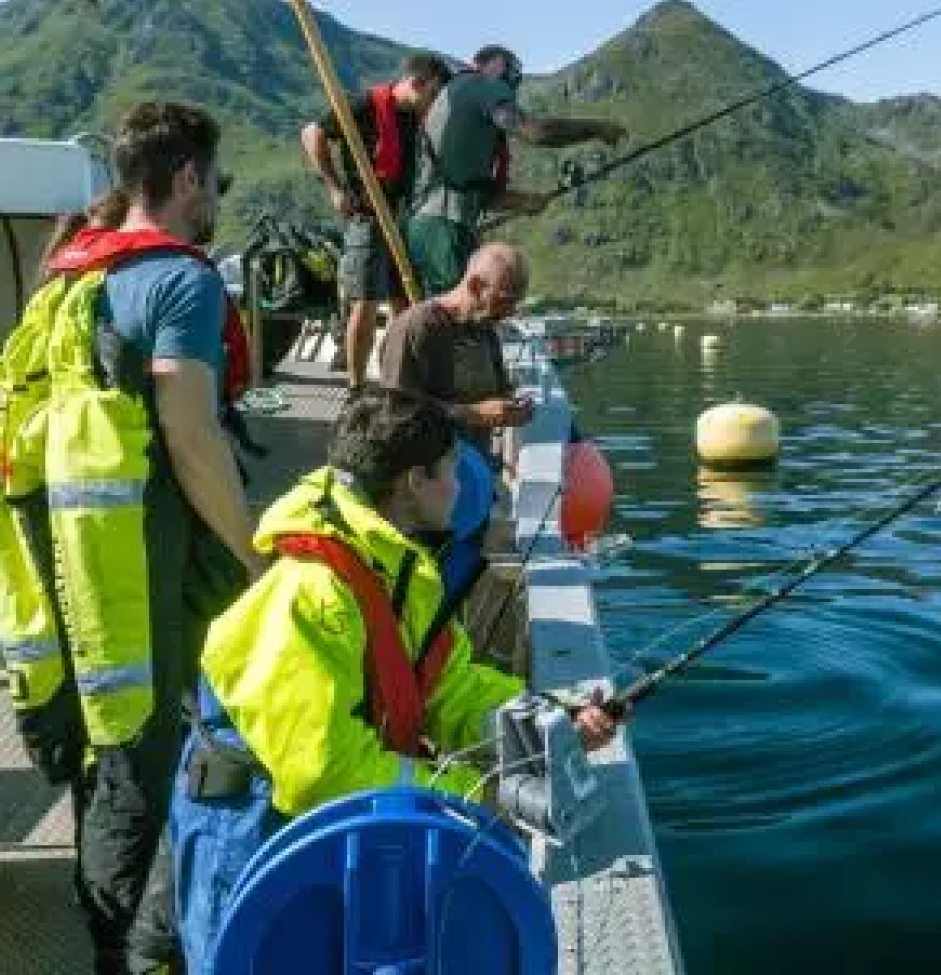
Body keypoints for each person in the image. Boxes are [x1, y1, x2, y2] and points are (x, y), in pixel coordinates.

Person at [168, 384, 623, 971]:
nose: (461, 487)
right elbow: (324, 774)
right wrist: (480, 795)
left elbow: (449, 687)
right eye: (452, 470)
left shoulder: (392, 565)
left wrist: (546, 723)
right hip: (249, 830)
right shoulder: (310, 593)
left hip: (331, 827)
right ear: (414, 482)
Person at [0, 101, 257, 974]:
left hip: (68, 546)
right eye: (214, 183)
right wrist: (254, 554)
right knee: (142, 754)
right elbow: (191, 435)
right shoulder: (180, 281)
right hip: (138, 557)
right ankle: (127, 954)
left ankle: (108, 925)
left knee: (104, 743)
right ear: (185, 178)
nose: (215, 200)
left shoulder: (69, 278)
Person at [403, 44, 626, 295]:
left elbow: (463, 185)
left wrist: (522, 201)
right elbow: (537, 132)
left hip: (428, 227)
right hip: (443, 230)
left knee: (445, 311)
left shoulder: (456, 94)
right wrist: (596, 128)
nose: (513, 82)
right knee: (461, 312)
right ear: (496, 64)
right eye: (512, 72)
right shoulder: (484, 86)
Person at [300, 51, 451, 388]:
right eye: (433, 94)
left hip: (403, 219)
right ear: (416, 83)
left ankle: (396, 382)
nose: (434, 103)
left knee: (404, 304)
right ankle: (356, 387)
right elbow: (311, 134)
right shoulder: (364, 106)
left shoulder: (415, 116)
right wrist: (334, 186)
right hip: (368, 219)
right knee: (366, 302)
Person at [378, 240, 537, 453]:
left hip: (472, 461)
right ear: (476, 286)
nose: (510, 312)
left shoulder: (485, 328)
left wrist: (512, 408)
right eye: (504, 300)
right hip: (427, 465)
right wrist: (471, 414)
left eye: (515, 303)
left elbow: (496, 392)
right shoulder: (416, 327)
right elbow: (396, 410)